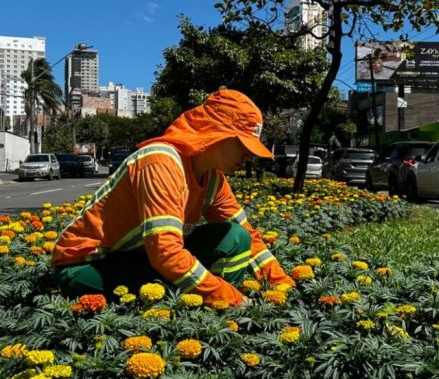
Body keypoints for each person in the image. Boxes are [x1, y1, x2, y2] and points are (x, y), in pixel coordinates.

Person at [51, 89, 295, 306]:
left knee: (236, 237)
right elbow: (166, 254)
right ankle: (212, 308)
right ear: (219, 133)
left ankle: (215, 309)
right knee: (169, 287)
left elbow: (249, 237)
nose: (249, 156)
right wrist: (230, 297)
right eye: (243, 145)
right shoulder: (160, 162)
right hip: (85, 266)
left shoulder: (213, 179)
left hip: (141, 257)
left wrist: (282, 285)